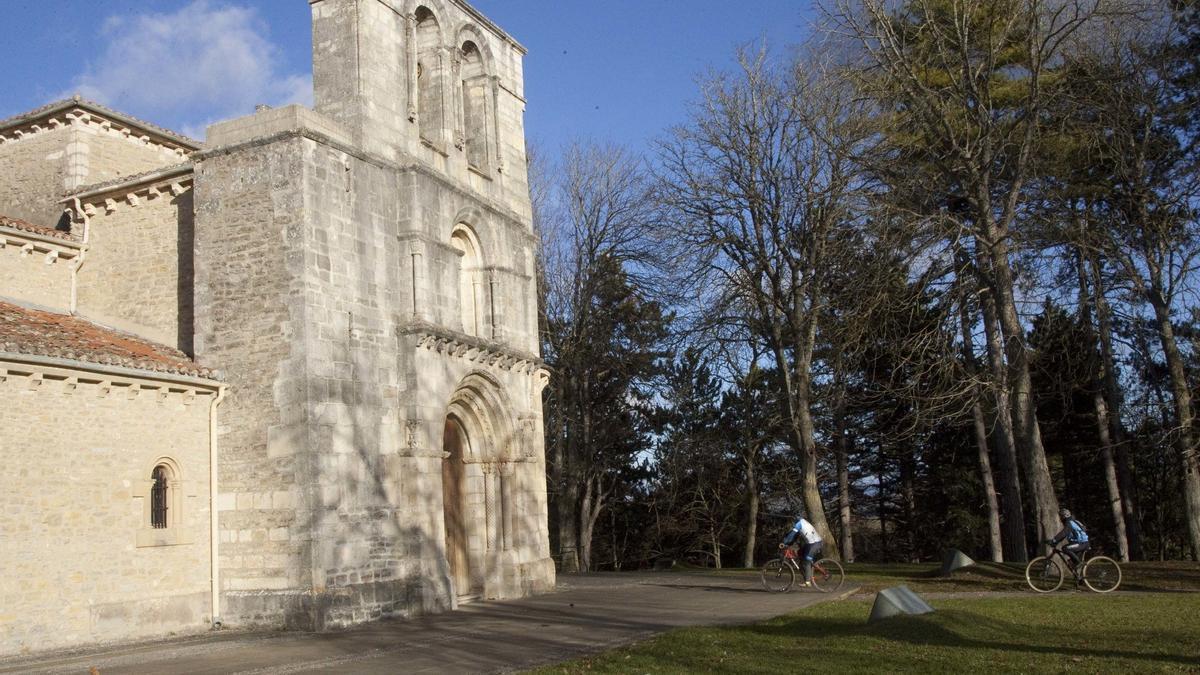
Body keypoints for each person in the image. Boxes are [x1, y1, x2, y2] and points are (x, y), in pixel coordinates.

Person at [779, 515, 822, 586]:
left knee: (806, 562)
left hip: (815, 544)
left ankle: (808, 582)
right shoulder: (803, 522)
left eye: (793, 521)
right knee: (801, 558)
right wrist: (789, 544)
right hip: (811, 543)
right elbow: (795, 536)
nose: (793, 523)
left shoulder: (799, 524)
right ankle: (807, 576)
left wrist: (784, 542)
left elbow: (791, 535)